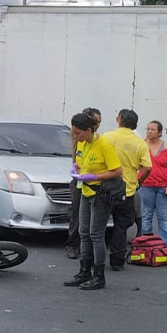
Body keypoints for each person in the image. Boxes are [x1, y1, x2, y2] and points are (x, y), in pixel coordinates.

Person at [63, 112, 122, 290]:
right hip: (86, 190)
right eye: (74, 132)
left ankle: (99, 276)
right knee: (83, 232)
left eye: (78, 133)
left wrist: (95, 175)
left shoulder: (104, 144)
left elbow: (117, 170)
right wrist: (77, 168)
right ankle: (84, 271)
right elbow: (81, 160)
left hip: (100, 193)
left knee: (96, 234)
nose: (76, 136)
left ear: (89, 130)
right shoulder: (82, 142)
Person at [100, 109, 152, 271]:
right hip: (127, 190)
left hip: (105, 188)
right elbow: (147, 168)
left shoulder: (107, 137)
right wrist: (138, 182)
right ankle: (117, 261)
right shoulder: (140, 143)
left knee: (98, 227)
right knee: (121, 227)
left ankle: (96, 259)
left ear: (119, 120)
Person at [65, 108, 101, 259]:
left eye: (99, 122)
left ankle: (87, 246)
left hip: (92, 181)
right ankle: (73, 244)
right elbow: (77, 156)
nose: (98, 125)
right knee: (77, 212)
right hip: (79, 179)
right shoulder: (78, 137)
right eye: (96, 122)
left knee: (91, 216)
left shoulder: (98, 139)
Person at [138, 120, 167, 255]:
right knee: (146, 214)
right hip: (146, 185)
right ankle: (146, 244)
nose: (149, 131)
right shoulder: (142, 145)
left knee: (163, 216)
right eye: (148, 129)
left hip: (162, 186)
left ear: (160, 132)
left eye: (153, 129)